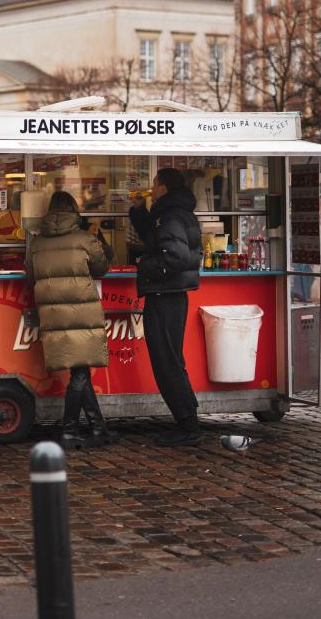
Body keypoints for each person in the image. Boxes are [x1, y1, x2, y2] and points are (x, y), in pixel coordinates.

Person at [27, 190, 113, 449]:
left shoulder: (37, 243)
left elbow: (30, 276)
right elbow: (103, 268)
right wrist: (101, 239)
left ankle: (99, 430)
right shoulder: (84, 239)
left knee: (80, 369)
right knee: (81, 372)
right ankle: (69, 430)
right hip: (82, 312)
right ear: (74, 210)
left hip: (52, 313)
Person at [129, 167, 203, 446]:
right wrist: (139, 211)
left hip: (165, 294)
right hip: (170, 293)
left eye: (155, 182)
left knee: (167, 361)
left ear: (163, 188)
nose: (152, 186)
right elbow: (156, 239)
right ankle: (186, 419)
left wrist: (144, 267)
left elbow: (174, 256)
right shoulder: (172, 212)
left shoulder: (170, 214)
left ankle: (187, 425)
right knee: (169, 360)